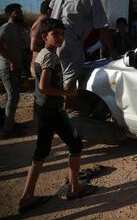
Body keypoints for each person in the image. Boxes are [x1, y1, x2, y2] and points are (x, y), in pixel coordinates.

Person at [18, 18, 97, 213]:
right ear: (45, 36)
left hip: (42, 108)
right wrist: (67, 93)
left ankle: (27, 196)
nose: (61, 38)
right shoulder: (50, 57)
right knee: (76, 144)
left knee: (42, 151)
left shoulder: (42, 53)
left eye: (62, 34)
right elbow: (44, 87)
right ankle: (73, 188)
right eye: (56, 34)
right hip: (52, 110)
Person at [50, 0, 118, 91]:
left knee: (56, 75)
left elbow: (50, 9)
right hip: (70, 43)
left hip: (52, 39)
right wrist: (113, 52)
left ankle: (59, 105)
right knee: (70, 79)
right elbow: (103, 29)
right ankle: (68, 107)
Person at [0, 3, 24, 136]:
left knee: (14, 96)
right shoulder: (7, 27)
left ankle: (10, 124)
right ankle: (7, 130)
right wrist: (12, 61)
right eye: (16, 12)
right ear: (9, 15)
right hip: (7, 67)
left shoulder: (16, 28)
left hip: (15, 66)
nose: (20, 13)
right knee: (12, 96)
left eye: (20, 11)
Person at [30, 0, 52, 77]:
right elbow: (33, 47)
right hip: (39, 64)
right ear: (49, 11)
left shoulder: (45, 23)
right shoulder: (39, 25)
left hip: (43, 63)